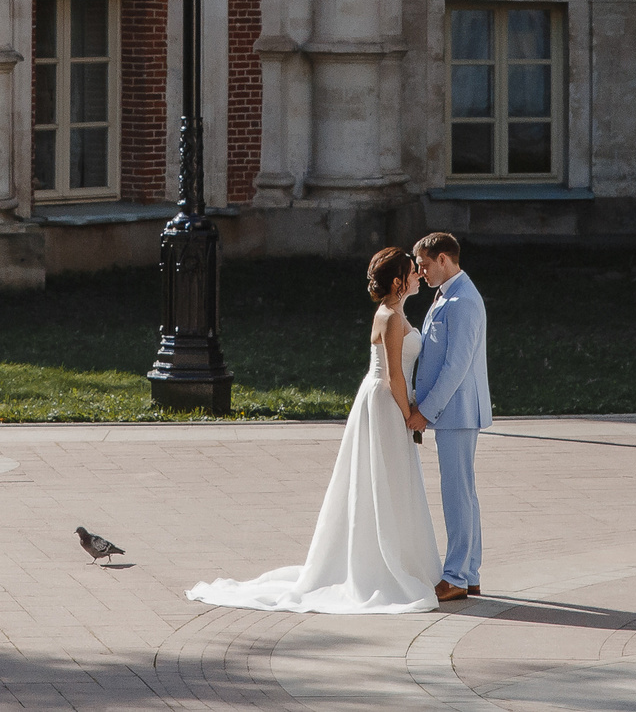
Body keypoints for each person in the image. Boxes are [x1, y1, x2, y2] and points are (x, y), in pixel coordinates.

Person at [185, 247, 440, 614]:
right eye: (412, 272)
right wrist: (409, 415)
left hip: (385, 399)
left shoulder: (396, 313)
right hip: (386, 403)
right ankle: (380, 564)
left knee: (392, 480)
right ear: (399, 282)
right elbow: (394, 376)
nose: (418, 274)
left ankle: (398, 556)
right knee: (384, 479)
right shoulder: (390, 318)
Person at [407, 231, 490, 601]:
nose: (420, 273)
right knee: (464, 492)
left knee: (457, 493)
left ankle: (456, 575)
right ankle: (469, 571)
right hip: (454, 411)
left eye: (424, 265)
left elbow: (457, 366)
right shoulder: (448, 295)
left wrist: (426, 411)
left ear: (444, 259)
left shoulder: (464, 301)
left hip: (457, 411)